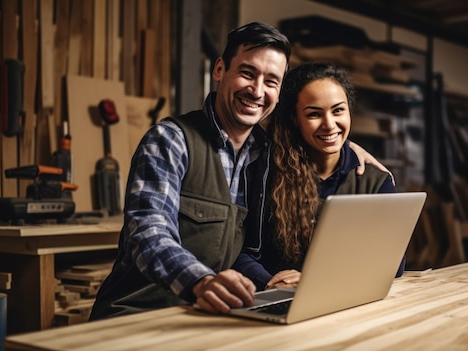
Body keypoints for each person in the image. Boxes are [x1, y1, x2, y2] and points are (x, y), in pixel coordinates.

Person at [90, 23, 389, 320]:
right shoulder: (170, 140)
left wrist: (350, 149)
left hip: (205, 318)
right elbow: (147, 232)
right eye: (247, 73)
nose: (257, 91)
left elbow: (319, 140)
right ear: (219, 70)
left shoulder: (268, 154)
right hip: (136, 314)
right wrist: (199, 281)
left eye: (271, 81)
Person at [233, 62, 400, 291]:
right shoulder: (263, 173)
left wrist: (313, 280)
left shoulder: (374, 182)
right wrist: (270, 281)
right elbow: (236, 249)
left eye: (338, 110)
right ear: (295, 118)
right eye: (314, 114)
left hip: (349, 301)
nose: (329, 125)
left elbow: (394, 263)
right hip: (277, 299)